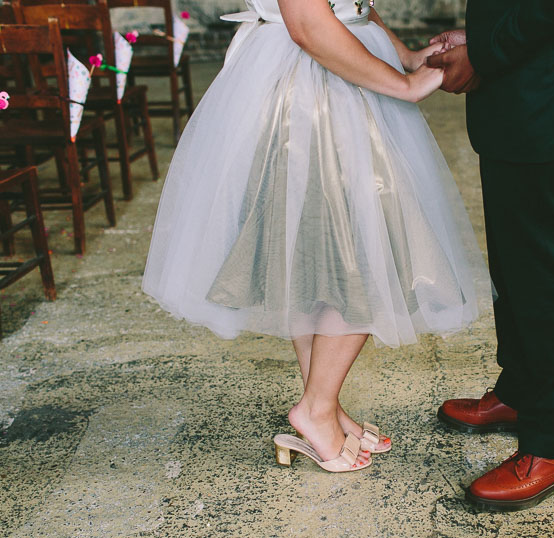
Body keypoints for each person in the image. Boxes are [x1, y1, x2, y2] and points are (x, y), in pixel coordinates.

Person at [142, 0, 488, 473]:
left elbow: (349, 6)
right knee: (369, 249)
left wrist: (405, 55)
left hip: (326, 70)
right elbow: (307, 21)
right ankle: (315, 409)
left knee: (315, 252)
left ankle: (322, 404)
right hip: (317, 85)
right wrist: (405, 85)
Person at [427, 0, 554, 510]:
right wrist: (479, 35)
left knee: (552, 273)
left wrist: (485, 52)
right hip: (517, 95)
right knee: (515, 264)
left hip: (549, 95)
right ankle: (522, 394)